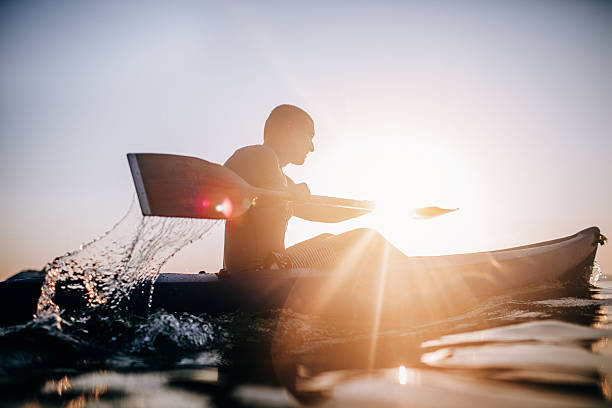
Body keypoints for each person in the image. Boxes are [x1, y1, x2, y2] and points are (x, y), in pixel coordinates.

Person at [223, 104, 407, 275]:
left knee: (326, 238)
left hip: (272, 266)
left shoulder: (280, 177)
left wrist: (366, 207)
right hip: (260, 272)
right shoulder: (258, 155)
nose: (312, 147)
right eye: (309, 136)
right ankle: (413, 277)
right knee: (367, 239)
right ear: (289, 130)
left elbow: (320, 211)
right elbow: (224, 186)